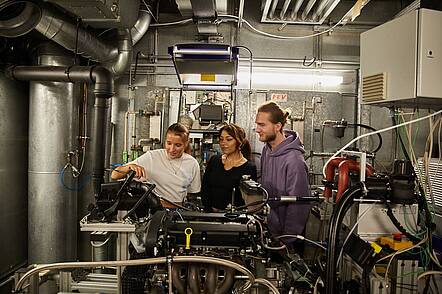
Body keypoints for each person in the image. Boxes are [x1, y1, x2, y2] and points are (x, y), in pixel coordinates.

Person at [255, 101, 311, 249]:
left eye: (262, 125)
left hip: (287, 240)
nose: (257, 129)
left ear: (278, 126)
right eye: (257, 124)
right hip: (270, 231)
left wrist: (287, 239)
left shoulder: (294, 160)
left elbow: (299, 205)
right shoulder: (267, 150)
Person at [111, 123, 201, 206]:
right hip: (153, 211)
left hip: (179, 213)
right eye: (169, 143)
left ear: (185, 144)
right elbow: (114, 175)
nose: (172, 149)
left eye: (177, 145)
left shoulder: (192, 164)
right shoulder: (152, 157)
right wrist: (129, 167)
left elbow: (193, 194)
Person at [201, 123, 257, 212]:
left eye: (229, 139)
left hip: (234, 218)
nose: (223, 143)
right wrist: (209, 210)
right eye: (221, 139)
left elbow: (249, 199)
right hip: (210, 216)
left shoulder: (249, 168)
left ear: (240, 142)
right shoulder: (214, 161)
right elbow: (205, 188)